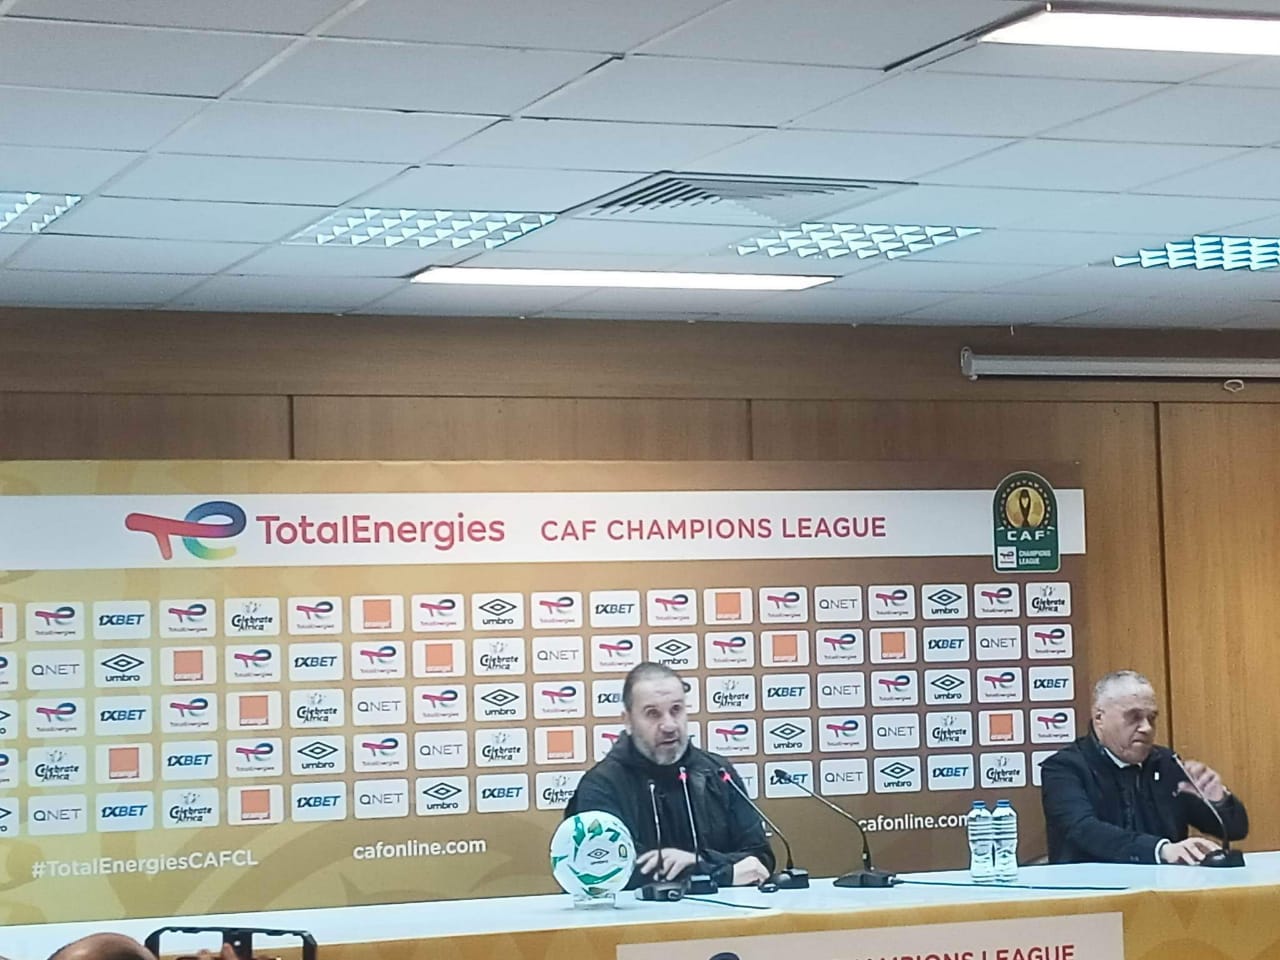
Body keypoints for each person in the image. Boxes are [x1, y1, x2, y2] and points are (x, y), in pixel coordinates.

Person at [566, 661, 774, 888]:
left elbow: (758, 860)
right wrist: (716, 872)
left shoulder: (717, 772)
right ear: (628, 721)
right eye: (652, 714)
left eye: (676, 710)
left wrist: (699, 862)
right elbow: (604, 871)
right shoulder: (601, 786)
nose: (669, 725)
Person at [1041, 669, 1248, 864]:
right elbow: (1083, 830)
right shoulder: (1064, 768)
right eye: (1134, 717)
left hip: (1163, 887)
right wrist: (1160, 850)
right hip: (1090, 888)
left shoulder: (1167, 763)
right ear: (1099, 718)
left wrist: (1219, 802)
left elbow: (1235, 830)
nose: (1147, 728)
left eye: (1151, 718)